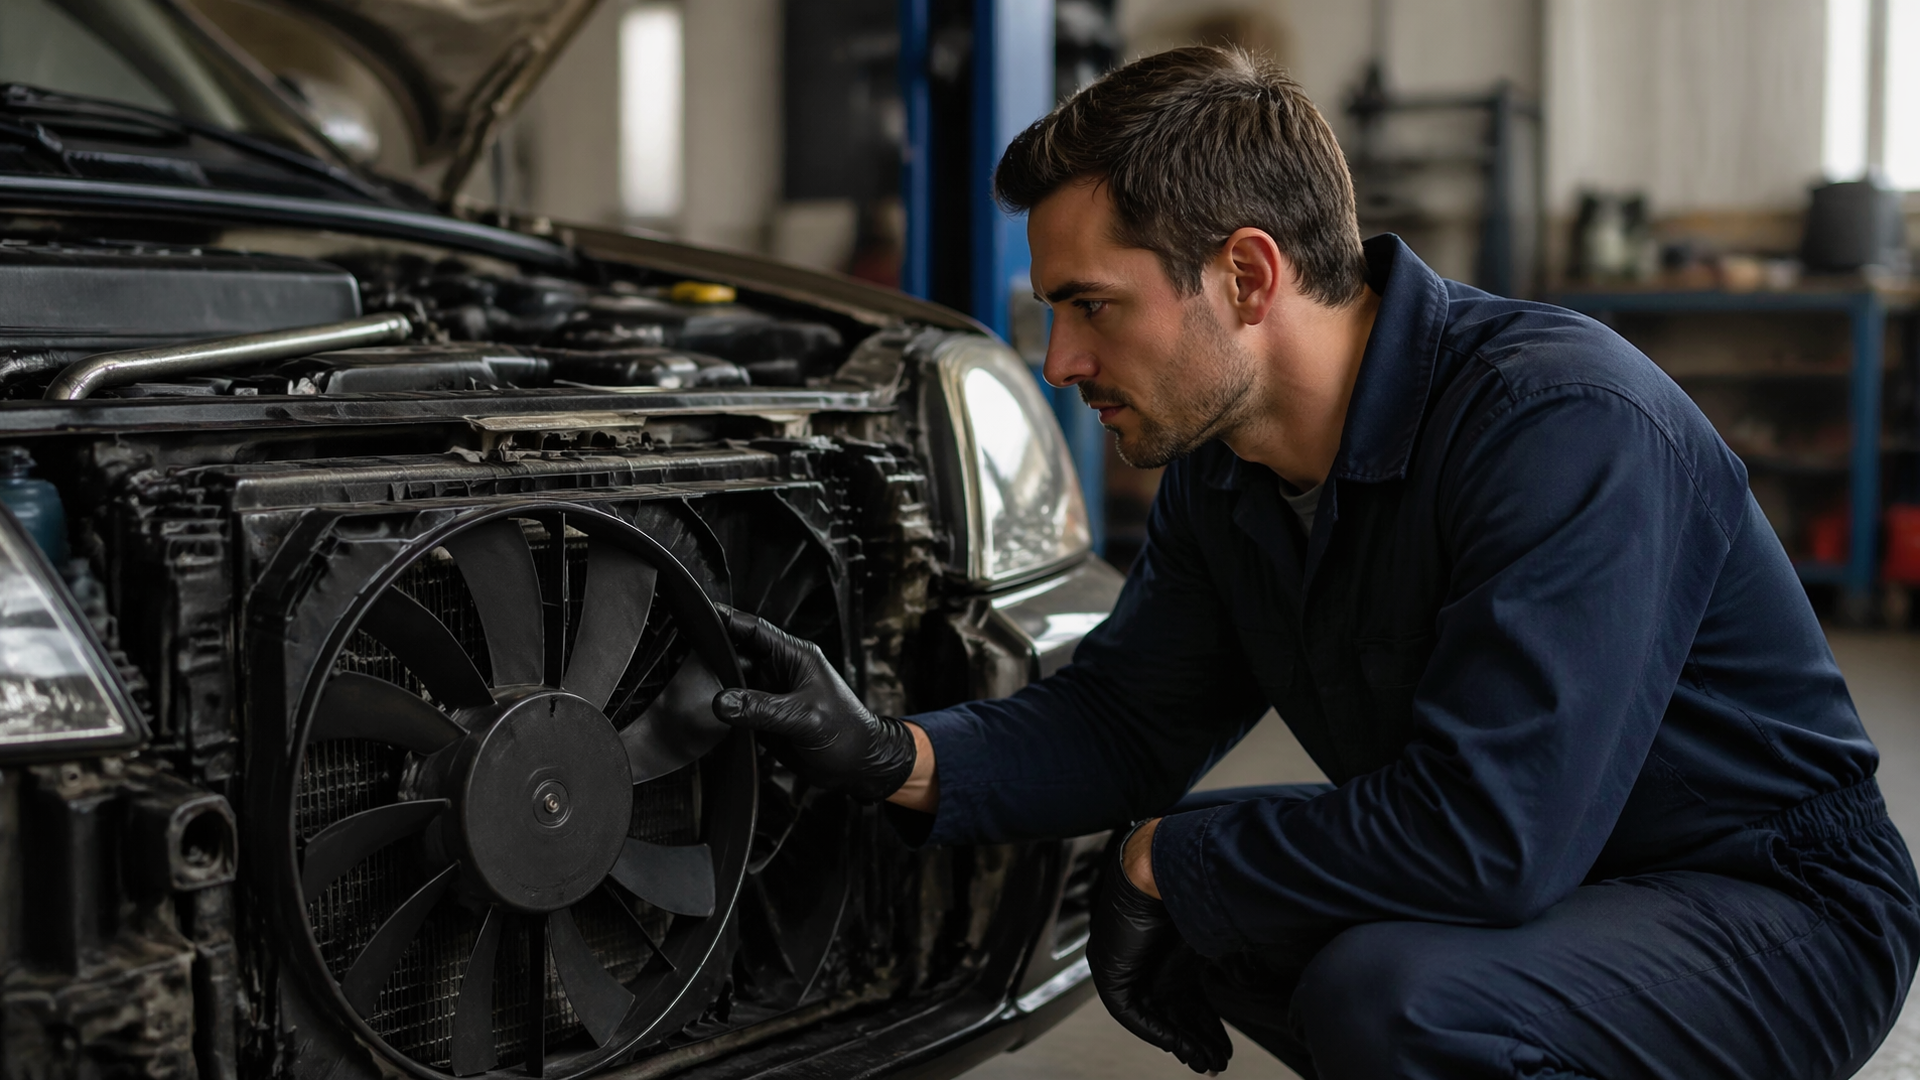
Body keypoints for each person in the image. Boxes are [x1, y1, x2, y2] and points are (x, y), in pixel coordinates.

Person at [709, 45, 1920, 1079]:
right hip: (1572, 883)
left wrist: (1166, 854)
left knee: (1393, 995)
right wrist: (888, 755)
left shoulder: (1562, 424)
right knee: (1250, 926)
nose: (1062, 363)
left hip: (1773, 905)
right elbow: (1131, 721)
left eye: (1090, 307)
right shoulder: (1227, 472)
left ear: (1246, 275)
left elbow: (1490, 840)